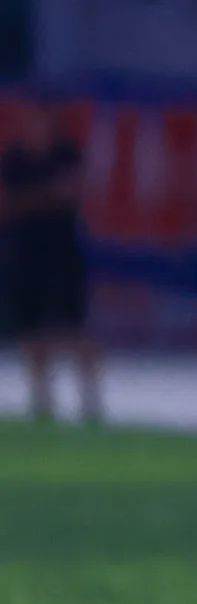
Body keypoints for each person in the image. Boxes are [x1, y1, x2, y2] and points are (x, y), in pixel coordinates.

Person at [2, 97, 102, 422]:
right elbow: (10, 204)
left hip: (61, 255)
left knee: (73, 329)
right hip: (25, 253)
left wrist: (32, 198)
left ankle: (90, 402)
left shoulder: (66, 153)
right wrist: (47, 194)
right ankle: (41, 401)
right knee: (31, 332)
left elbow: (72, 192)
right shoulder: (15, 158)